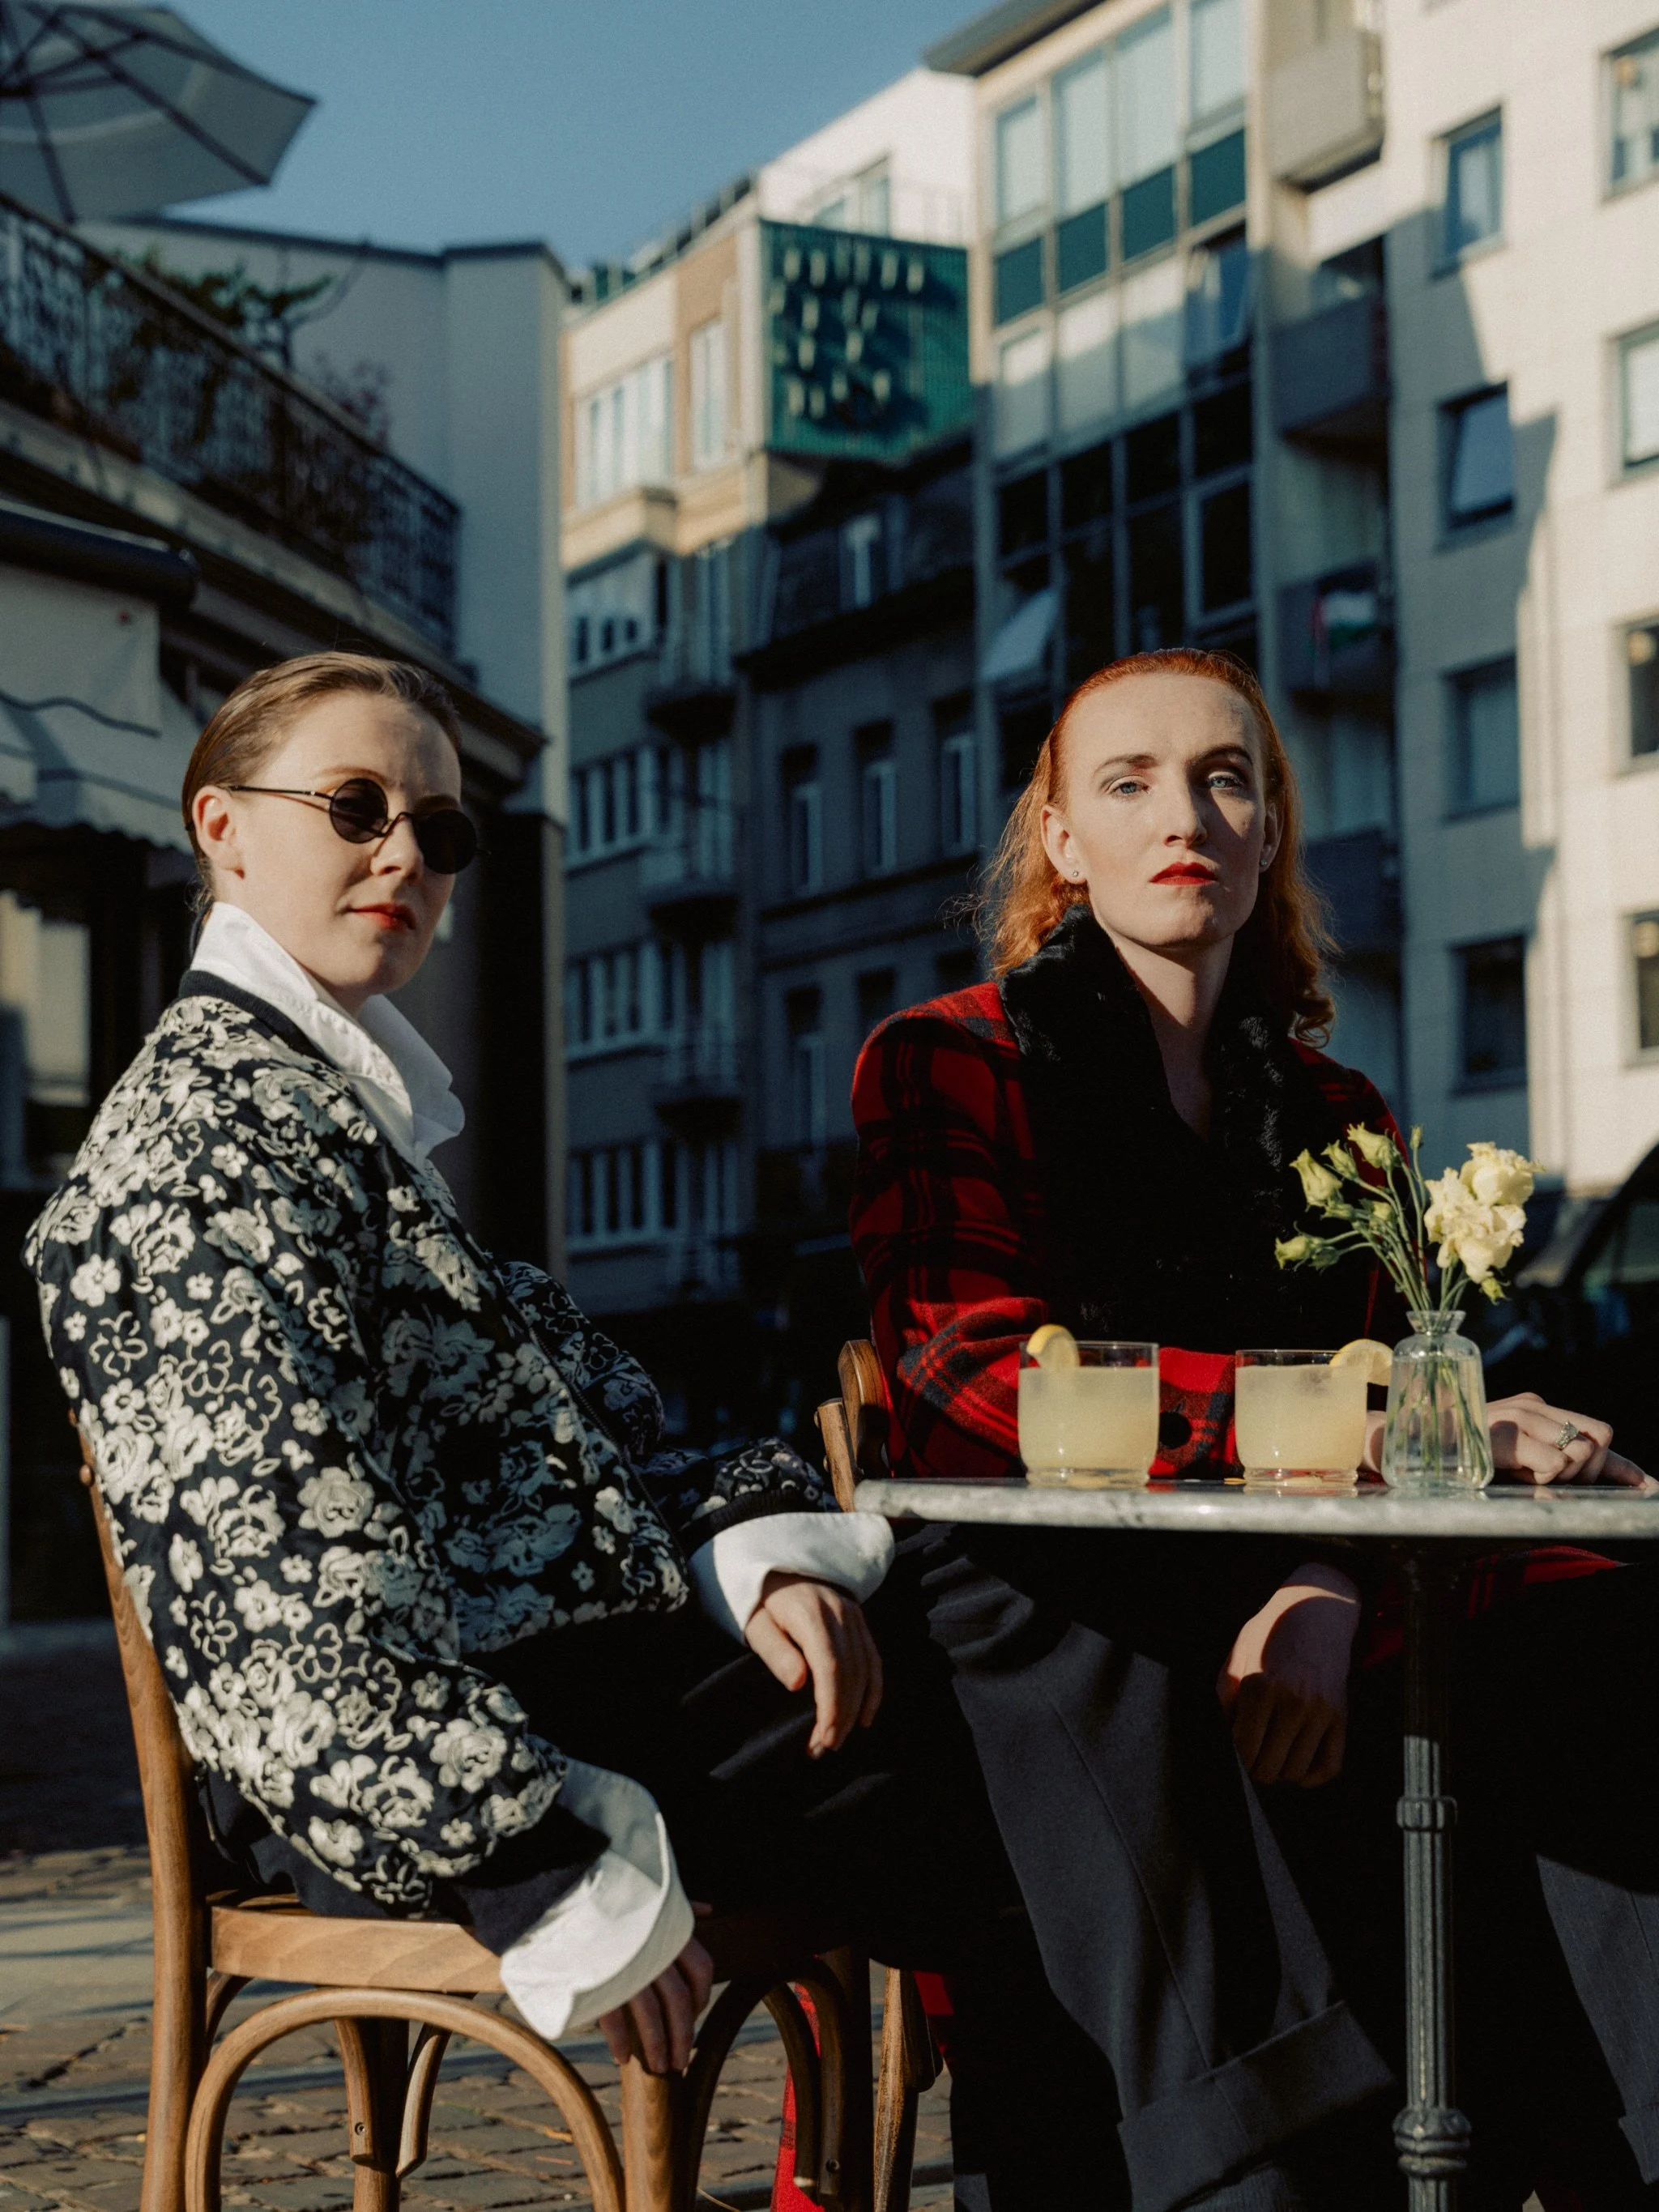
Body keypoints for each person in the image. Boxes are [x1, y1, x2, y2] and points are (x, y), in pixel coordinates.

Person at [32, 650, 1200, 2212]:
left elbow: (605, 1427)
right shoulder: (204, 1147)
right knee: (1031, 1660)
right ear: (223, 829)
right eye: (356, 807)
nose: (404, 856)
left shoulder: (336, 1117)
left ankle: (1142, 2153)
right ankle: (1216, 2156)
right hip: (428, 1780)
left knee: (1038, 1670)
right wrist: (530, 1865)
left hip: (555, 1683)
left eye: (442, 834)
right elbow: (279, 1615)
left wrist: (763, 1562)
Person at [851, 646, 1659, 2210]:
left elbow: (1390, 1360)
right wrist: (1370, 1448)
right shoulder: (953, 1058)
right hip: (1059, 1589)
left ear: (1273, 830)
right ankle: (1264, 2152)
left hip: (1309, 1571)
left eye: (1230, 779)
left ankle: (1616, 2135)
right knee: (1095, 1642)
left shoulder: (1336, 1104)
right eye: (1131, 781)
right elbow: (973, 1385)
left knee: (1603, 1620)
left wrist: (1330, 1572)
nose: (1190, 816)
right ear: (1062, 838)